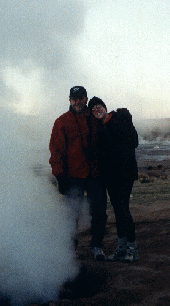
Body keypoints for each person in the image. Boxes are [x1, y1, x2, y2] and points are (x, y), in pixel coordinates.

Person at [49, 86, 108, 260]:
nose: (77, 102)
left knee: (98, 212)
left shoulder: (95, 118)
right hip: (73, 176)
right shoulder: (62, 122)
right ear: (69, 100)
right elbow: (56, 151)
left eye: (80, 98)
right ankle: (70, 250)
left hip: (95, 175)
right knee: (71, 214)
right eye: (74, 99)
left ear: (86, 99)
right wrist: (59, 176)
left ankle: (97, 247)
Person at [88, 96, 139, 263]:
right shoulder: (99, 128)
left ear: (104, 106)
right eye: (93, 109)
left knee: (123, 209)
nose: (97, 110)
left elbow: (134, 142)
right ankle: (122, 247)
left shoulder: (119, 119)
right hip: (110, 177)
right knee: (118, 210)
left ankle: (132, 249)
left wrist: (128, 121)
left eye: (98, 106)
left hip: (124, 175)